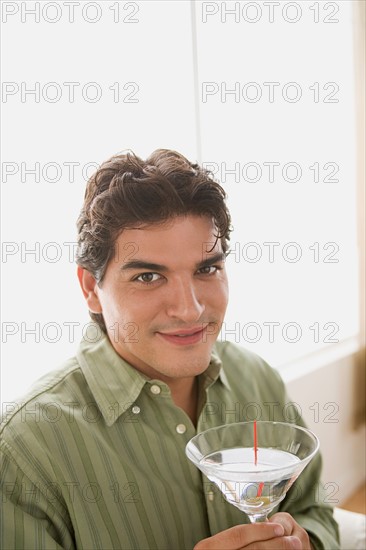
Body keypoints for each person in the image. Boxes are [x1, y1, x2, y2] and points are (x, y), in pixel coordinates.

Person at [0, 149, 339, 549]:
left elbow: (316, 513)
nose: (190, 308)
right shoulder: (24, 450)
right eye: (148, 276)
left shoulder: (257, 378)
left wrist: (305, 542)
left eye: (206, 269)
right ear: (91, 289)